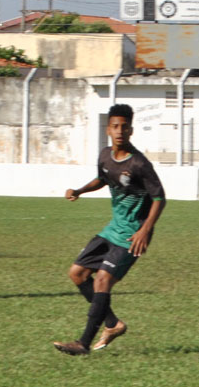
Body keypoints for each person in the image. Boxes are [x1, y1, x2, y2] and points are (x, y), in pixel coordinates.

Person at [53, 104, 165, 355]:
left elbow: (160, 198)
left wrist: (145, 230)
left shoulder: (139, 163)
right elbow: (102, 179)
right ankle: (113, 324)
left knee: (102, 279)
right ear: (108, 129)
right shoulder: (104, 155)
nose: (120, 131)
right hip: (113, 229)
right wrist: (80, 190)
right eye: (115, 126)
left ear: (132, 129)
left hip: (132, 233)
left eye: (125, 126)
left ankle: (83, 343)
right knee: (77, 274)